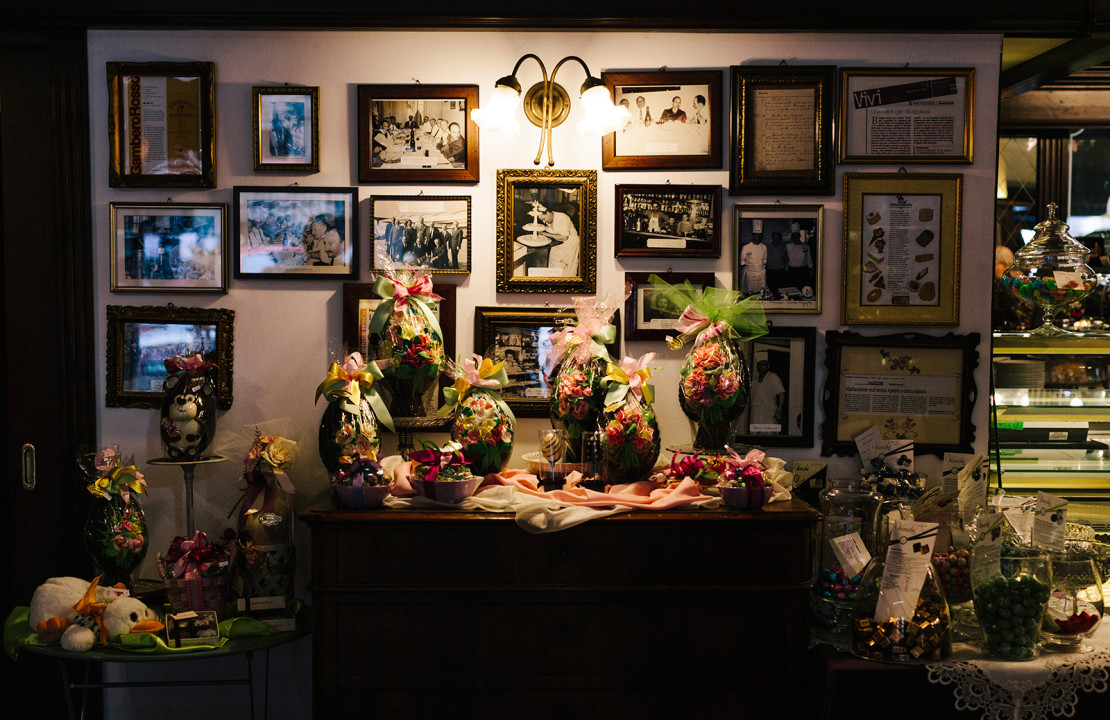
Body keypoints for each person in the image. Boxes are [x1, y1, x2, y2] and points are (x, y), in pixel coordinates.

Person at [751, 351, 785, 430]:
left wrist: (779, 411)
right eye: (758, 365)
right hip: (756, 414)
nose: (760, 367)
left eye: (763, 364)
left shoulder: (773, 377)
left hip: (769, 414)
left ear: (768, 366)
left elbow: (781, 393)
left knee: (768, 436)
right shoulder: (754, 381)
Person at [540, 208, 579, 276]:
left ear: (548, 213)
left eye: (543, 219)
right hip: (558, 244)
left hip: (569, 246)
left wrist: (545, 234)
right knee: (554, 268)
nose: (544, 221)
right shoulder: (550, 220)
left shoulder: (561, 217)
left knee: (566, 271)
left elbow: (564, 237)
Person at [786, 225, 814, 290]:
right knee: (792, 289)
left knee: (803, 288)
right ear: (792, 237)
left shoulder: (806, 246)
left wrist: (811, 269)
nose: (796, 237)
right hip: (792, 271)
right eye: (794, 235)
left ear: (799, 236)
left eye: (797, 235)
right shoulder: (787, 246)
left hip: (803, 271)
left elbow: (809, 259)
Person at [740, 231, 768, 295]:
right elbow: (742, 262)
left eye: (759, 235)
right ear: (753, 235)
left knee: (761, 293)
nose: (758, 237)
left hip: (761, 274)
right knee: (749, 293)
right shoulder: (746, 247)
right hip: (750, 275)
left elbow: (764, 261)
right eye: (756, 235)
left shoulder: (764, 247)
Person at [765, 230, 789, 295]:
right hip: (770, 272)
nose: (776, 239)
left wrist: (786, 269)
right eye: (774, 238)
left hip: (780, 272)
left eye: (777, 238)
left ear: (780, 239)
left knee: (780, 290)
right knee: (770, 290)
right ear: (772, 238)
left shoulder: (783, 248)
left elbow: (786, 259)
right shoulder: (767, 247)